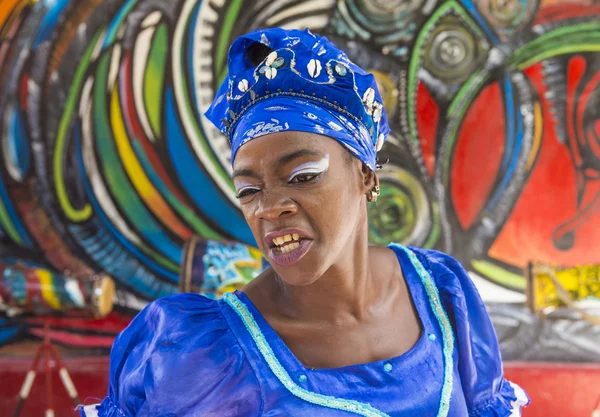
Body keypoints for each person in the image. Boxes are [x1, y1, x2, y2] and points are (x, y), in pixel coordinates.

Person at [80, 28, 529, 417]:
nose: (269, 207)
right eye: (249, 190)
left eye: (302, 176)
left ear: (365, 176)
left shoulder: (441, 294)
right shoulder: (205, 358)